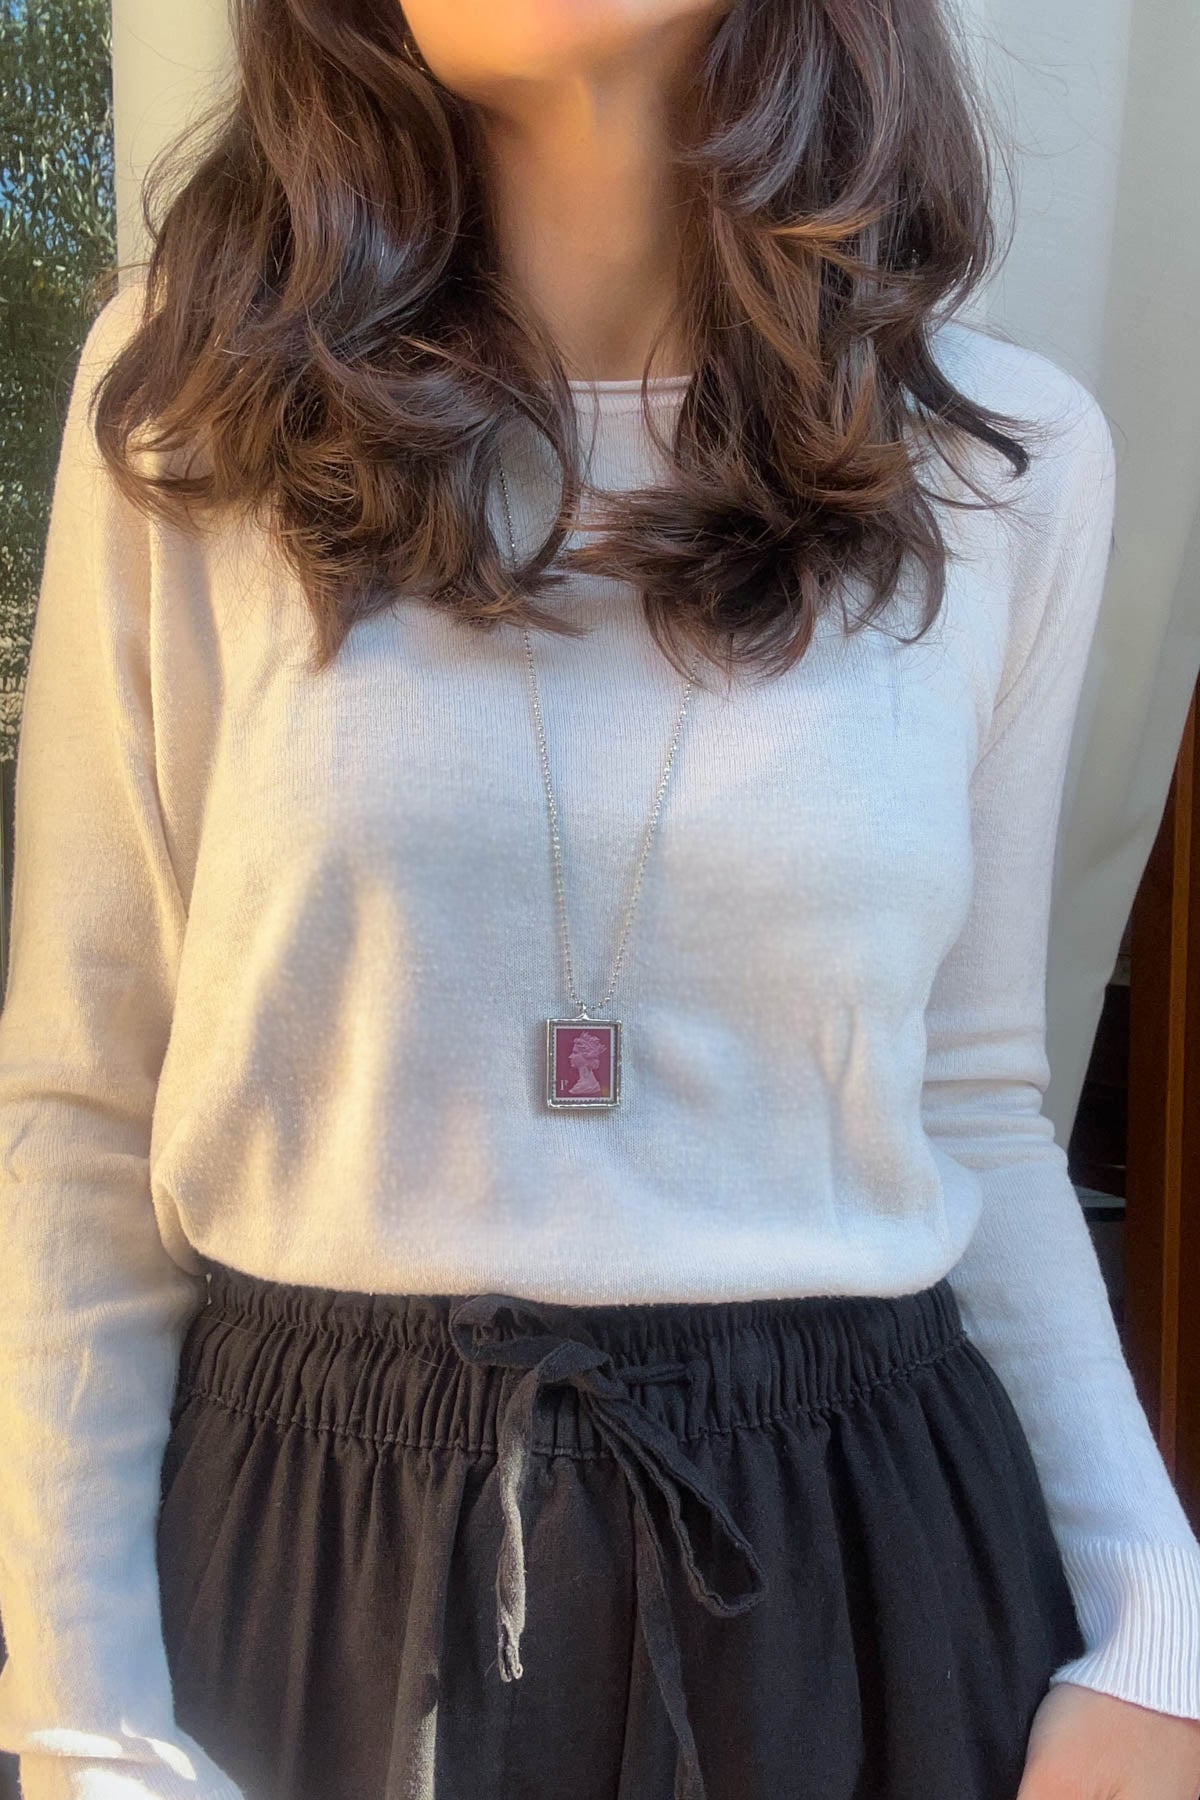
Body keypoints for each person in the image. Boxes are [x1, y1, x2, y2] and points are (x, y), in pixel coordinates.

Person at [2, 1, 1200, 1796]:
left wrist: (1158, 1625)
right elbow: (84, 1104)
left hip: (856, 1582)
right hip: (307, 1586)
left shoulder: (1006, 464)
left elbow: (971, 1099)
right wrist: (83, 1719)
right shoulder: (195, 409)